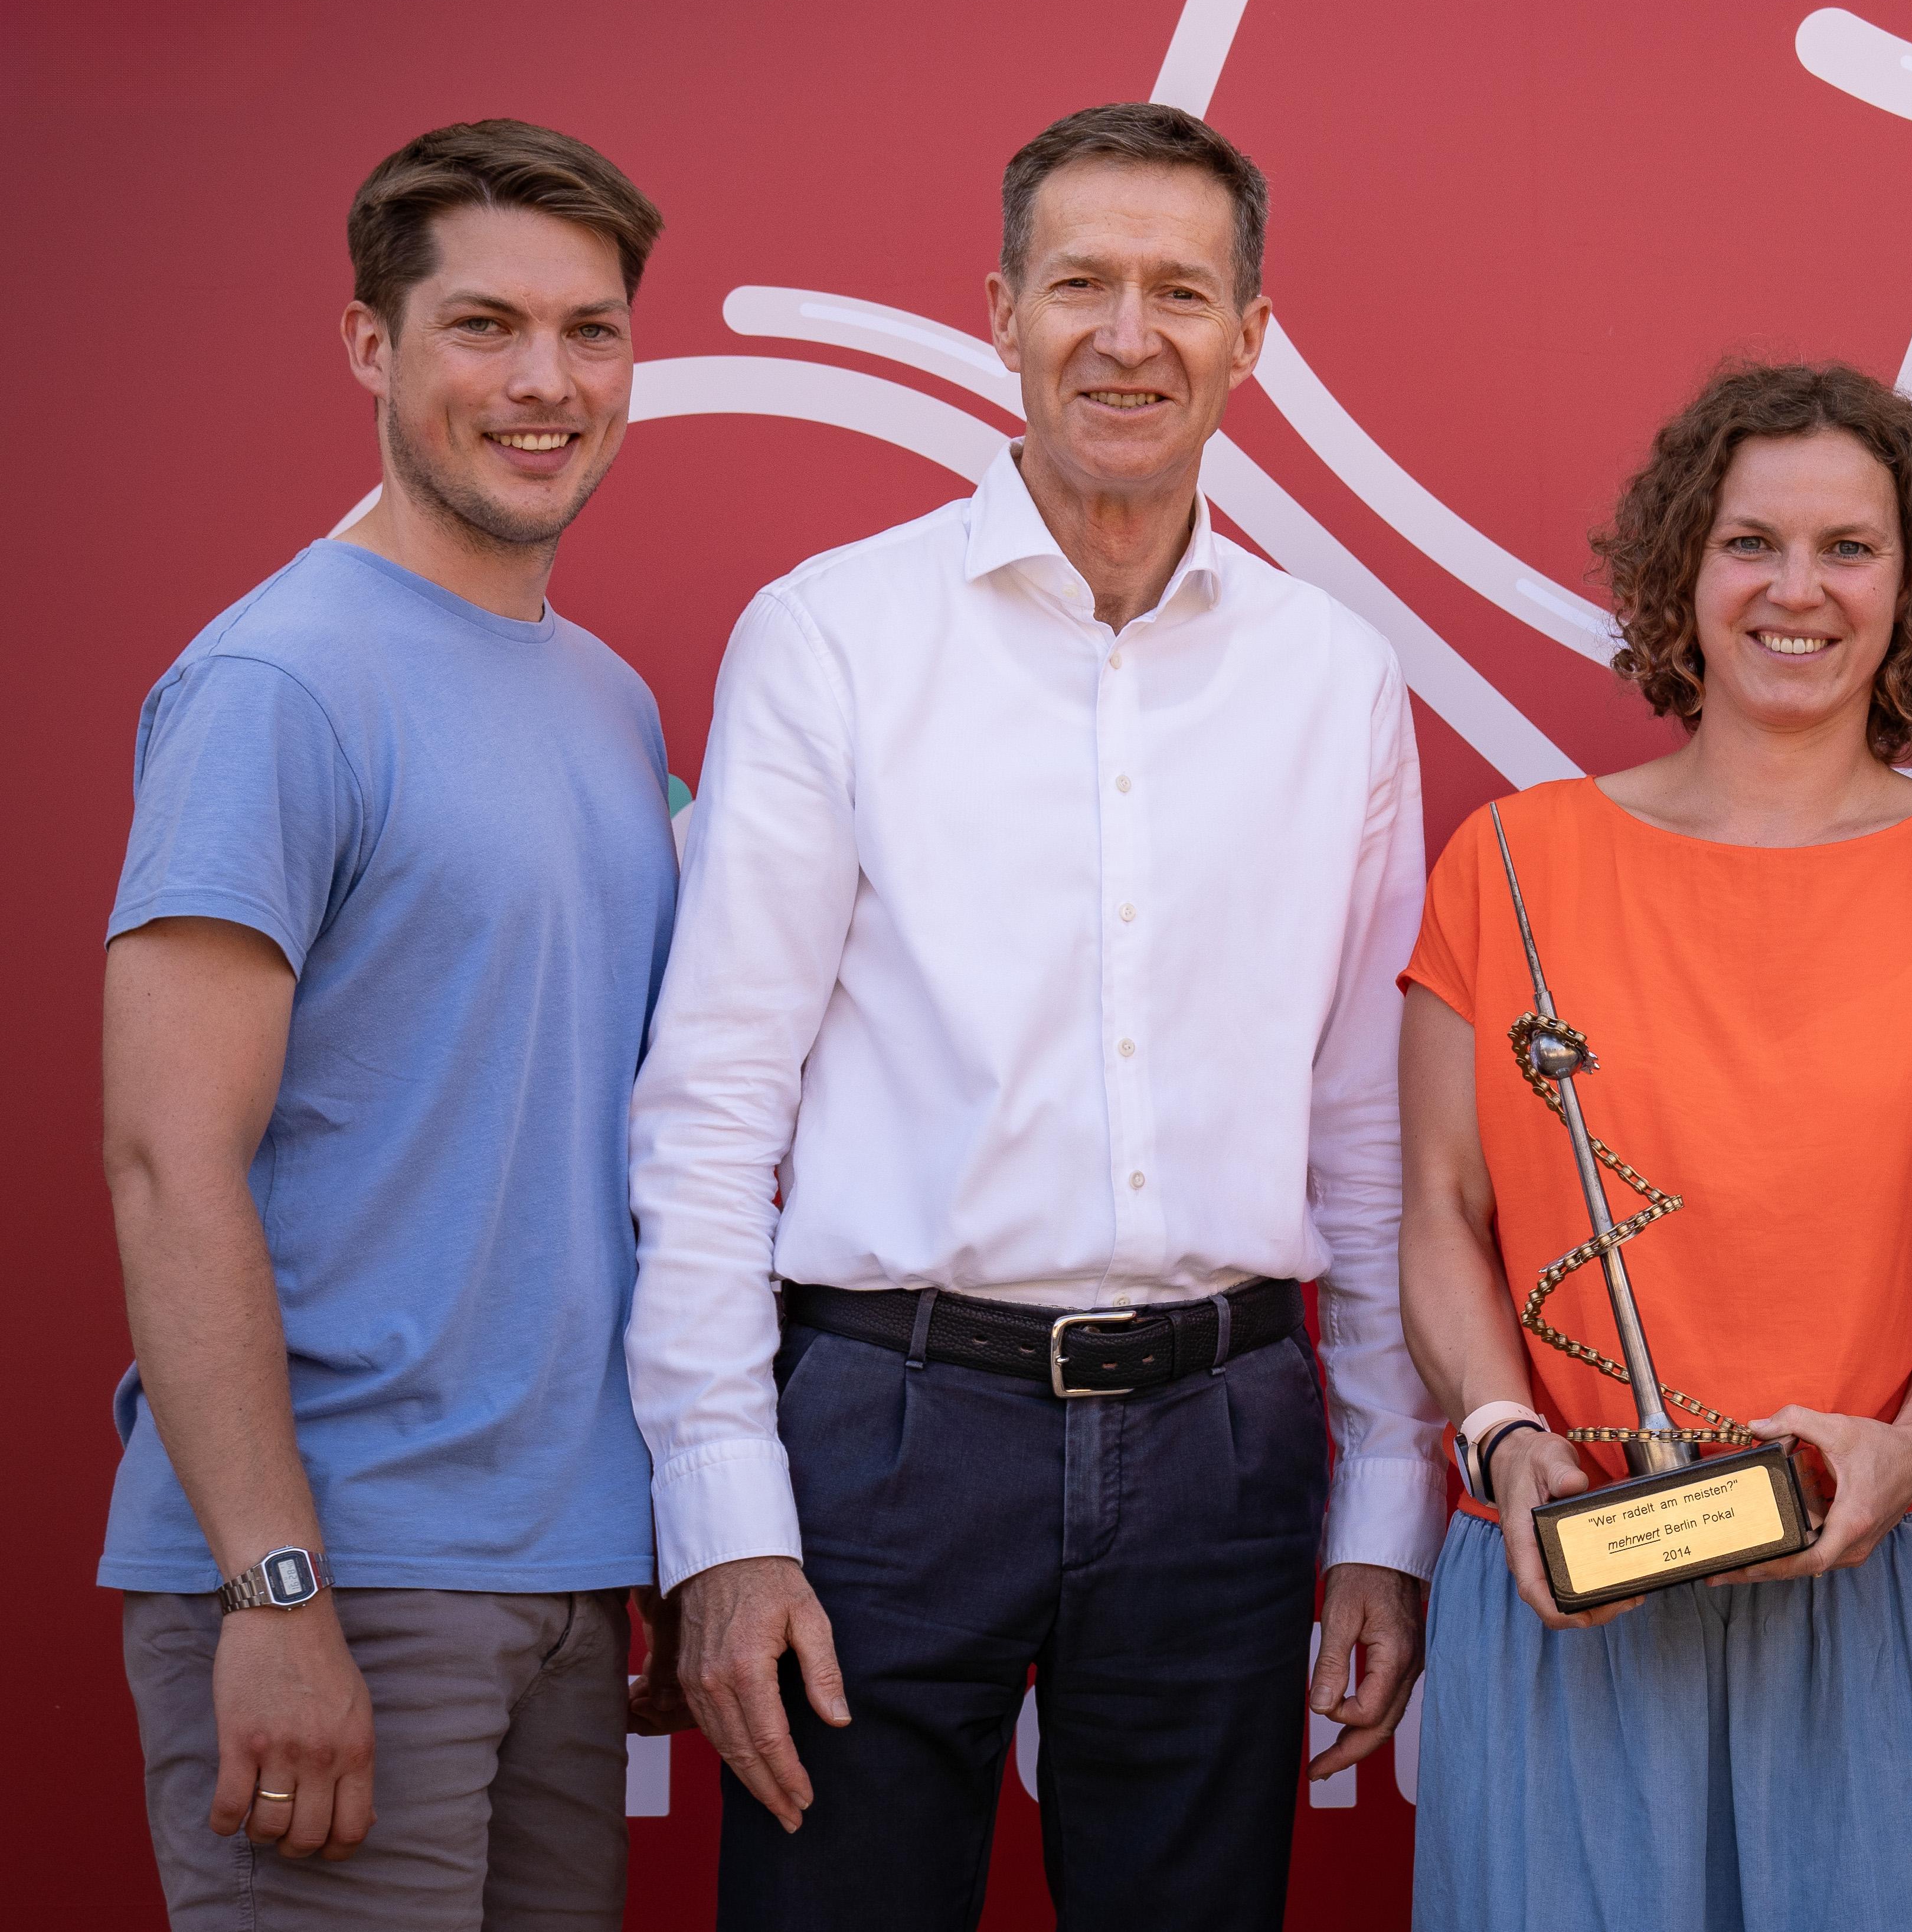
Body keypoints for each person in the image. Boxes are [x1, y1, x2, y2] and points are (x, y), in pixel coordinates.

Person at [625, 103, 1444, 1928]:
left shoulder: (1335, 681)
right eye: (1080, 283)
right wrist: (728, 1520)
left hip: (1229, 1441)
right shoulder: (832, 634)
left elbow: (1365, 1131)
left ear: (1255, 332)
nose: (1127, 335)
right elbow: (711, 1109)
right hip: (886, 1433)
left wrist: (1389, 1506)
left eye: (1180, 291)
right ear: (997, 313)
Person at [1398, 360, 1912, 1932]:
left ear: (1911, 585)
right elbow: (1439, 1214)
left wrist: (1905, 1454)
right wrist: (1505, 1443)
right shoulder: (1509, 861)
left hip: (1875, 1566)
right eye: (1749, 543)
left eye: (1847, 547)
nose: (1797, 590)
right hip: (1562, 1573)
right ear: (1679, 570)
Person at [100, 121, 684, 1929]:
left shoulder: (607, 699)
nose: (543, 383)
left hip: (564, 1584)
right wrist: (277, 1596)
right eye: (483, 325)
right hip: (341, 1577)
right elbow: (163, 1157)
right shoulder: (280, 682)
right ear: (371, 344)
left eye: (590, 332)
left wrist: (630, 1549)